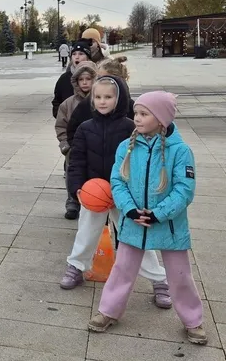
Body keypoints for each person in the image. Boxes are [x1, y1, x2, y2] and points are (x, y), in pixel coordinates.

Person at [88, 91, 206, 345]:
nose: (137, 119)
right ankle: (108, 311)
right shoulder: (127, 147)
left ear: (161, 118)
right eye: (136, 114)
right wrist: (129, 210)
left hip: (169, 226)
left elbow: (184, 190)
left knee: (180, 275)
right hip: (133, 223)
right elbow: (117, 181)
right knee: (122, 270)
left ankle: (193, 320)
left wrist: (159, 214)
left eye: (144, 114)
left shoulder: (181, 151)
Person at [60, 77, 172, 309]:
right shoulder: (85, 128)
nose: (102, 101)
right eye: (98, 97)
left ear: (119, 98)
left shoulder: (131, 127)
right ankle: (77, 266)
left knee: (136, 237)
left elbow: (144, 160)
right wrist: (77, 188)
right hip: (94, 191)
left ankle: (159, 280)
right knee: (86, 231)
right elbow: (76, 161)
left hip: (125, 194)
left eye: (108, 97)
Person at [54, 60, 98, 218]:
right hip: (74, 146)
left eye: (88, 79)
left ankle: (94, 198)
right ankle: (72, 200)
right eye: (81, 79)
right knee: (73, 171)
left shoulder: (100, 101)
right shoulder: (68, 104)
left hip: (96, 146)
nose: (85, 83)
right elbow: (61, 126)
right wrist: (65, 144)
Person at [65, 56, 132, 147]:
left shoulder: (130, 106)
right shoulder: (87, 104)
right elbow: (72, 131)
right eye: (98, 78)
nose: (101, 82)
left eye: (105, 79)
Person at [51, 41, 92, 118]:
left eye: (81, 54)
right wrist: (62, 116)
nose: (77, 57)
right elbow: (57, 101)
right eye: (74, 54)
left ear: (88, 57)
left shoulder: (96, 76)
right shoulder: (64, 78)